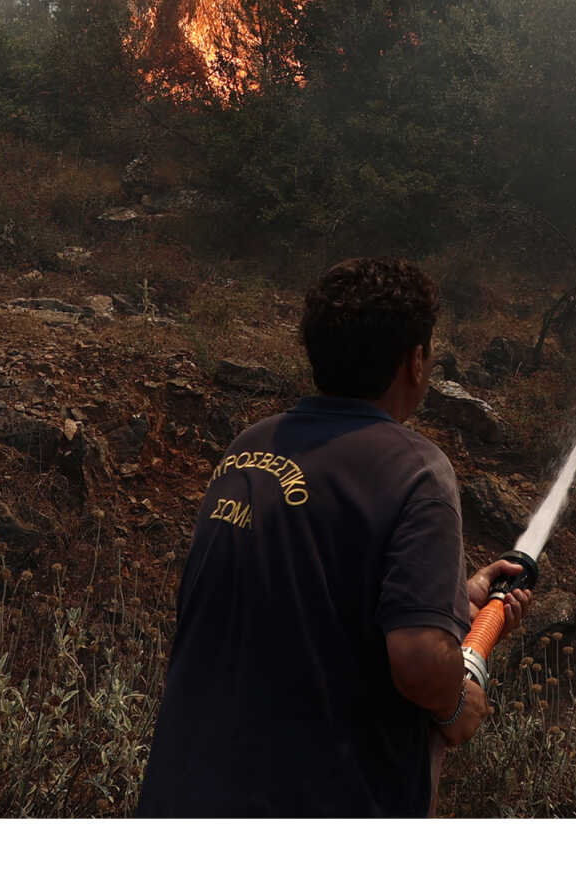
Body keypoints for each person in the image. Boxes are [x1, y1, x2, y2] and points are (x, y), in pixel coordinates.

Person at [137, 257, 530, 817]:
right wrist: (454, 706)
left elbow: (299, 590)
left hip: (184, 795)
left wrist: (448, 600)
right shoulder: (418, 469)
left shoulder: (249, 449)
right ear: (415, 362)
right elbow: (419, 660)